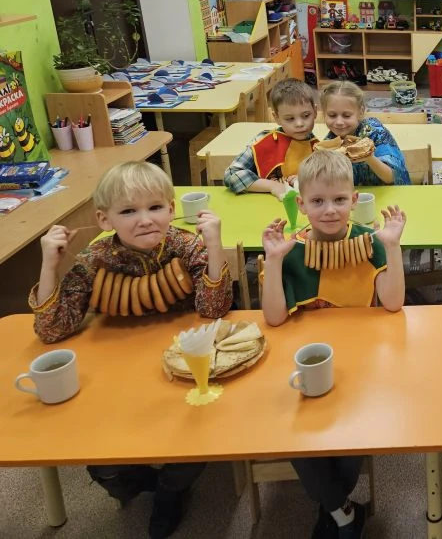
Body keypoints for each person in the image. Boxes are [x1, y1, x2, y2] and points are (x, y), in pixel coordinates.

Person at [30, 161, 231, 539]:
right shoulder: (95, 259)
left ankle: (171, 491)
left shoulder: (185, 246)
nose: (145, 220)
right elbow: (52, 330)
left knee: (197, 441)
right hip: (116, 373)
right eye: (128, 212)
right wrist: (49, 266)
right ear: (104, 219)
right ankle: (143, 483)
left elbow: (213, 310)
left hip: (182, 370)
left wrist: (215, 247)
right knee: (102, 464)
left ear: (171, 209)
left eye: (155, 207)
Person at [259, 148, 406, 538]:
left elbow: (393, 303)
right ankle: (342, 510)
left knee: (353, 434)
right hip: (303, 361)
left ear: (354, 200)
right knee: (294, 433)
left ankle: (334, 507)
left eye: (339, 200)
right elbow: (274, 318)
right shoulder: (291, 250)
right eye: (318, 202)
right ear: (301, 204)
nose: (329, 211)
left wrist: (392, 246)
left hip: (361, 363)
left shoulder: (370, 242)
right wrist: (273, 262)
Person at [224, 78, 320, 197]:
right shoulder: (264, 141)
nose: (299, 124)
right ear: (276, 118)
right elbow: (231, 175)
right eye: (290, 119)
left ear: (315, 111)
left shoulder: (319, 146)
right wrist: (272, 186)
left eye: (306, 115)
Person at [320, 80, 410, 185]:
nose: (339, 122)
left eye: (346, 116)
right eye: (332, 115)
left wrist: (368, 157)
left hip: (391, 192)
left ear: (361, 112)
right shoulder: (328, 143)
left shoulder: (376, 133)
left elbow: (391, 177)